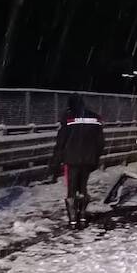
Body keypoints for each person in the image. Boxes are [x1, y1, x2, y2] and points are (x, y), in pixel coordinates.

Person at [50, 94, 105, 228]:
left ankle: (72, 219)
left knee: (71, 189)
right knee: (83, 187)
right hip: (88, 159)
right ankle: (82, 216)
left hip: (72, 158)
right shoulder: (95, 117)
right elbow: (100, 142)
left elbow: (61, 141)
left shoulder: (68, 118)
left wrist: (55, 162)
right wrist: (95, 157)